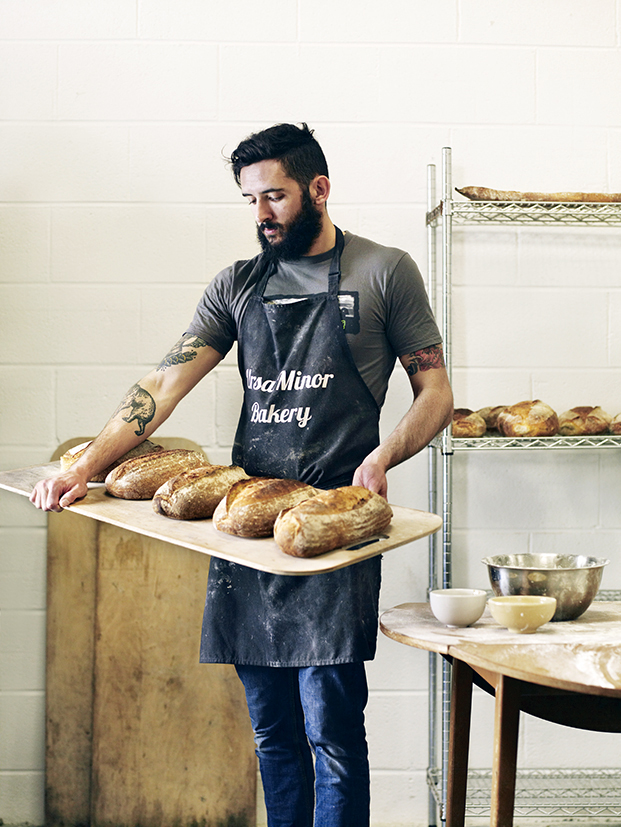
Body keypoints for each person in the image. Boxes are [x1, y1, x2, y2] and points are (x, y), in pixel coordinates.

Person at [30, 123, 453, 827]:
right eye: (250, 199)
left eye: (276, 196)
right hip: (246, 528)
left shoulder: (385, 271)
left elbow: (435, 391)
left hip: (331, 526)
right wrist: (85, 466)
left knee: (334, 734)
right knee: (271, 733)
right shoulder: (237, 283)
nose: (261, 213)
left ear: (319, 189)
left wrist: (382, 458)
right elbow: (163, 385)